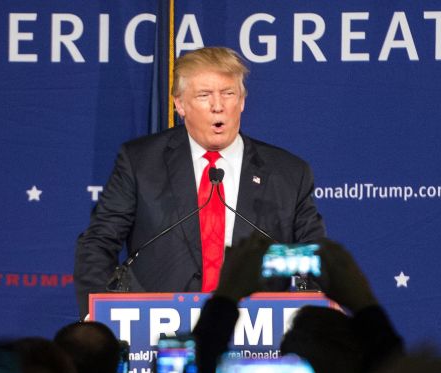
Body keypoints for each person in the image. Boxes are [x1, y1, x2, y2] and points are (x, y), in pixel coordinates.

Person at [74, 46, 325, 317]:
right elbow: (98, 243)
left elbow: (313, 257)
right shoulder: (140, 163)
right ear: (179, 104)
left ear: (241, 101)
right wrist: (100, 315)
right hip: (157, 329)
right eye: (204, 95)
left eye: (228, 94)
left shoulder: (287, 172)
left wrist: (310, 320)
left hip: (255, 333)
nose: (218, 106)